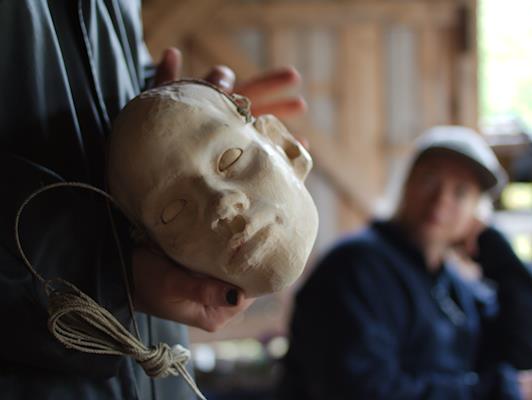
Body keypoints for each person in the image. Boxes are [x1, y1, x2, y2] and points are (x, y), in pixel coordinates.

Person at [0, 1, 305, 399]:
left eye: (231, 158)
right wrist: (104, 277)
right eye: (174, 210)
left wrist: (182, 109)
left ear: (280, 144)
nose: (224, 205)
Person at [280, 126, 532, 399]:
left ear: (476, 213)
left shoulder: (451, 287)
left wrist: (503, 259)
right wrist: (497, 392)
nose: (441, 199)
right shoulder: (356, 267)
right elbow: (362, 390)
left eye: (461, 192)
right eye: (430, 179)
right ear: (407, 185)